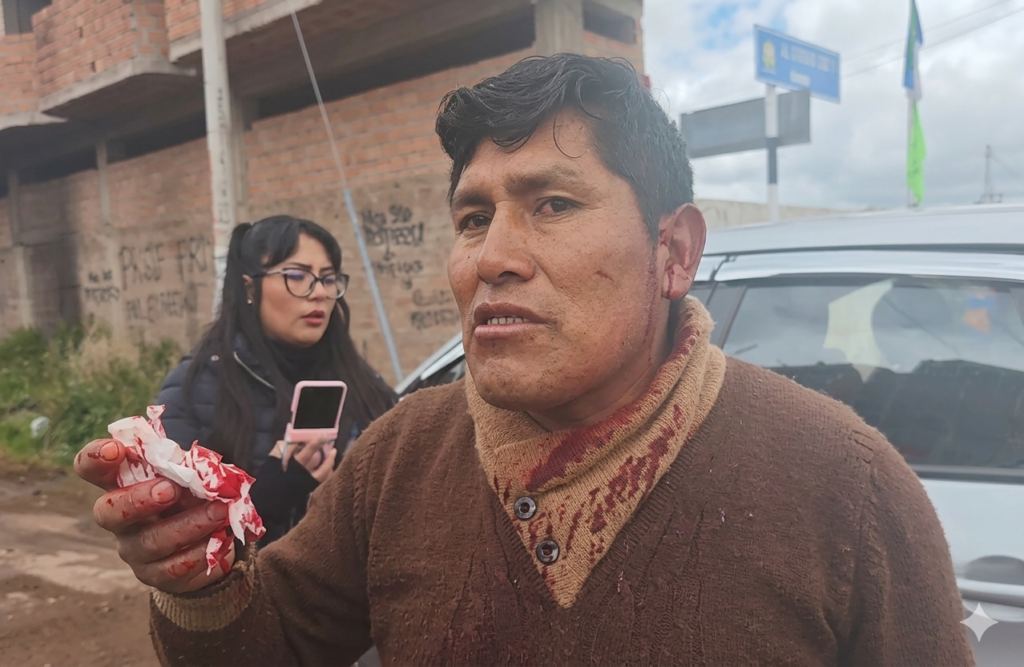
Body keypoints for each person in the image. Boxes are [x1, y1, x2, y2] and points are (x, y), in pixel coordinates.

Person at [76, 55, 973, 666]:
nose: (490, 257)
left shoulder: (848, 488)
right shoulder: (401, 455)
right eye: (473, 218)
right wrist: (200, 580)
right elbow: (271, 644)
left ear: (672, 252)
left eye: (552, 204)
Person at [153, 215, 395, 544]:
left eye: (327, 279)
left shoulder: (365, 385)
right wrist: (268, 495)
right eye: (296, 276)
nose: (318, 293)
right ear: (249, 287)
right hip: (248, 577)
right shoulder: (195, 387)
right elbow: (172, 535)